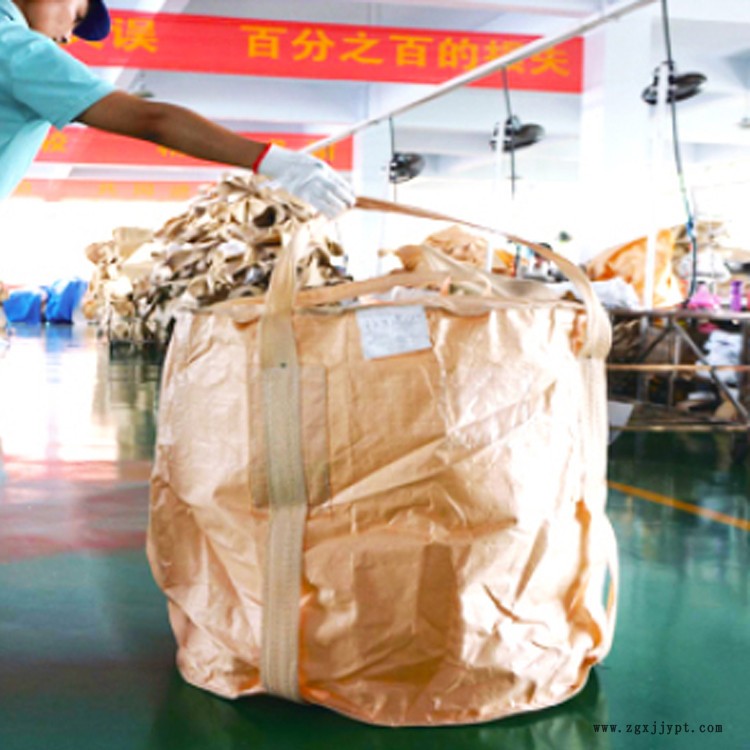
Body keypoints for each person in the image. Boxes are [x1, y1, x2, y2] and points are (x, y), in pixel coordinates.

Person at [0, 0, 355, 218]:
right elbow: (152, 120)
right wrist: (276, 162)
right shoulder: (18, 49)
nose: (67, 36)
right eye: (78, 16)